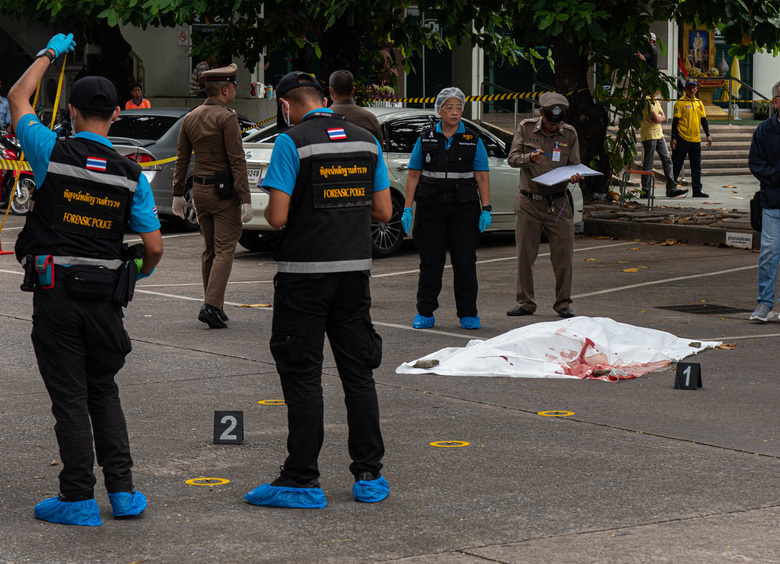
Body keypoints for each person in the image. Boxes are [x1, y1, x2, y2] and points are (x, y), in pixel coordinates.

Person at [8, 33, 163, 526]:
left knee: (71, 397)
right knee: (103, 390)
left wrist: (49, 52)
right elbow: (154, 248)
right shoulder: (130, 175)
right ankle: (124, 493)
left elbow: (17, 97)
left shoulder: (49, 151)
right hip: (105, 299)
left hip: (56, 295)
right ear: (116, 114)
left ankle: (77, 499)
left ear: (71, 112)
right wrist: (133, 273)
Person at [243, 71, 392, 509]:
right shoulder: (367, 140)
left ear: (285, 105)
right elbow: (384, 211)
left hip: (304, 276)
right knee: (358, 374)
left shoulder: (291, 142)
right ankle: (369, 474)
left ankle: (301, 480)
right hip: (354, 273)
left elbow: (276, 217)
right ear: (323, 98)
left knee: (303, 375)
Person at [401, 87, 491, 330]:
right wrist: (407, 208)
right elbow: (413, 174)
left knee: (465, 263)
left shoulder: (473, 139)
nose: (454, 112)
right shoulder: (425, 138)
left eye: (458, 108)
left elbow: (482, 176)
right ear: (439, 111)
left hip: (464, 209)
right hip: (431, 208)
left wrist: (486, 208)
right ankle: (425, 311)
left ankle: (468, 314)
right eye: (449, 108)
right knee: (431, 262)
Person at [173, 63, 252, 329]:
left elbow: (182, 158)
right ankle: (211, 306)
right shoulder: (227, 118)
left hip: (200, 191)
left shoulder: (191, 116)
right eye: (234, 87)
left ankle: (213, 302)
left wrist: (178, 193)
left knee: (209, 250)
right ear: (226, 90)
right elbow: (237, 160)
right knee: (225, 250)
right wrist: (246, 198)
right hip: (224, 193)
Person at [506, 92, 582, 319]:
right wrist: (530, 158)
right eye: (549, 123)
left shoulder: (569, 133)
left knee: (563, 256)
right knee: (525, 256)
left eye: (556, 123)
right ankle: (525, 302)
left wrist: (575, 176)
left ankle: (563, 303)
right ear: (541, 113)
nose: (552, 127)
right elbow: (512, 158)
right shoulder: (526, 128)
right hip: (529, 201)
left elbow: (574, 165)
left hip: (558, 202)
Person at [748, 80, 780, 322]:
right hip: (772, 201)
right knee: (769, 252)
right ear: (776, 101)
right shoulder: (764, 130)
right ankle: (765, 304)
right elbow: (755, 163)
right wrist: (776, 176)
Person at [641, 91, 687, 198]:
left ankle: (672, 188)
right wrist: (657, 119)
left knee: (667, 160)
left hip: (659, 134)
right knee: (648, 163)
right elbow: (657, 118)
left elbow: (663, 117)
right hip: (649, 135)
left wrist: (657, 119)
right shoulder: (648, 101)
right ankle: (645, 190)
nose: (659, 89)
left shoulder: (655, 101)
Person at [672, 79, 712, 198]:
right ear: (685, 89)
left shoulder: (699, 103)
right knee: (677, 164)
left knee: (696, 165)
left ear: (697, 89)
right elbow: (675, 121)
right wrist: (674, 137)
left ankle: (697, 189)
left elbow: (703, 120)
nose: (691, 89)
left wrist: (708, 135)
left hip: (695, 139)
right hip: (682, 138)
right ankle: (671, 188)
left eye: (693, 87)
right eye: (689, 87)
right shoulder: (680, 103)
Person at [328, 69, 383, 143]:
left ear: (331, 91)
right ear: (353, 90)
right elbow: (379, 148)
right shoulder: (370, 119)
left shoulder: (323, 119)